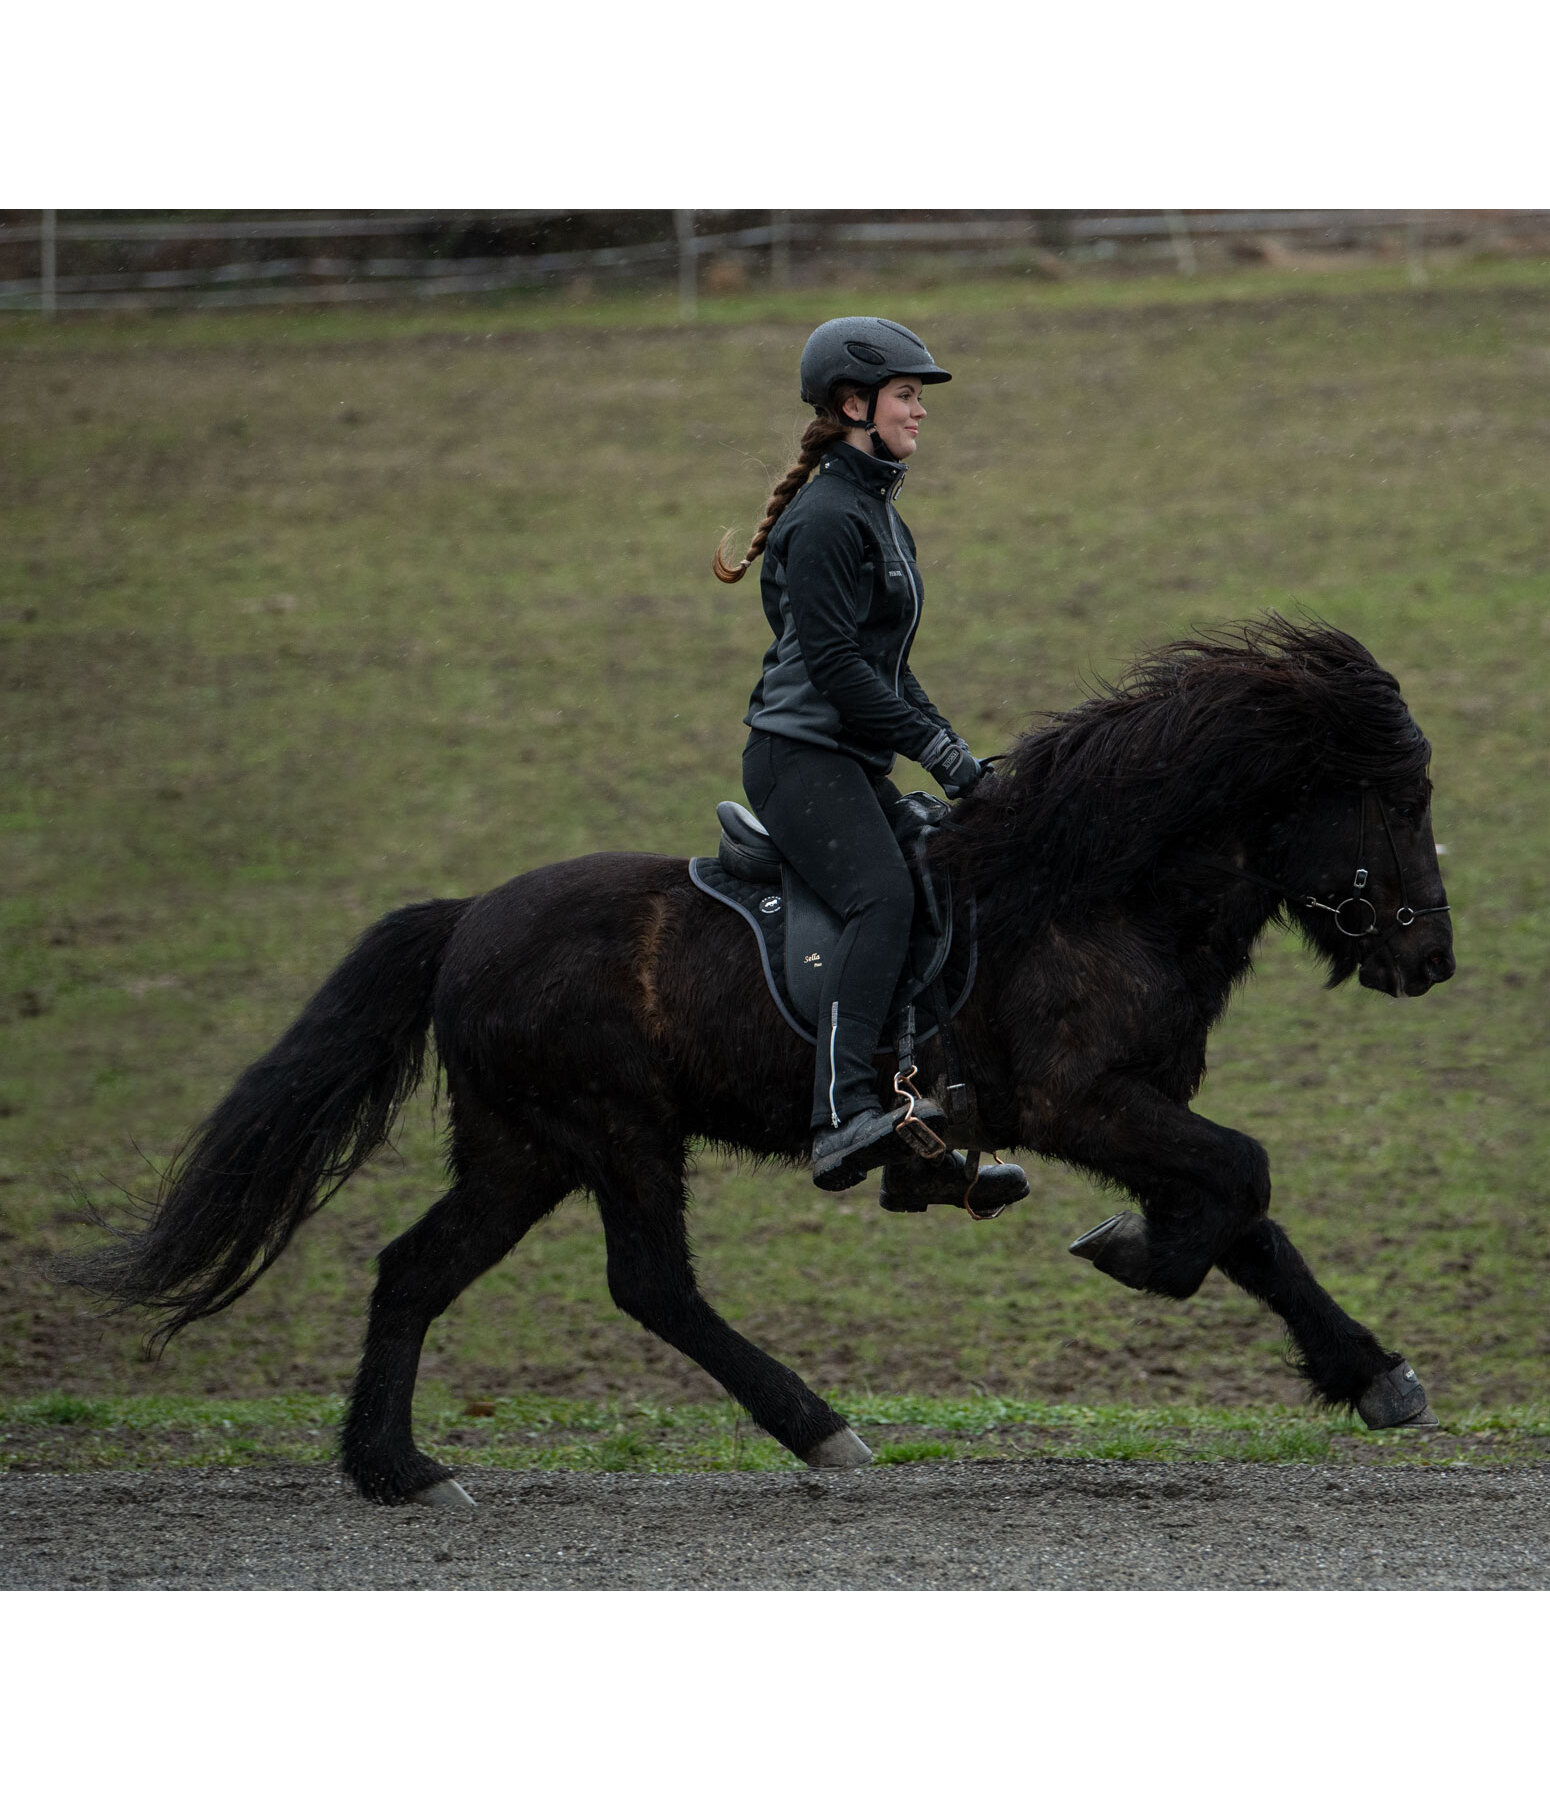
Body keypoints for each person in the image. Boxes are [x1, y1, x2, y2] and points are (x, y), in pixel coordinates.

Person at [714, 316, 994, 1195]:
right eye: (908, 396)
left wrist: (958, 757)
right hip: (799, 760)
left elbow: (888, 671)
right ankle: (840, 1115)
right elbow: (835, 667)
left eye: (916, 397)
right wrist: (936, 753)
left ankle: (913, 1146)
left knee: (931, 883)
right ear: (854, 404)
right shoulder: (833, 516)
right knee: (881, 897)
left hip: (841, 756)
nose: (920, 412)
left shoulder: (873, 508)